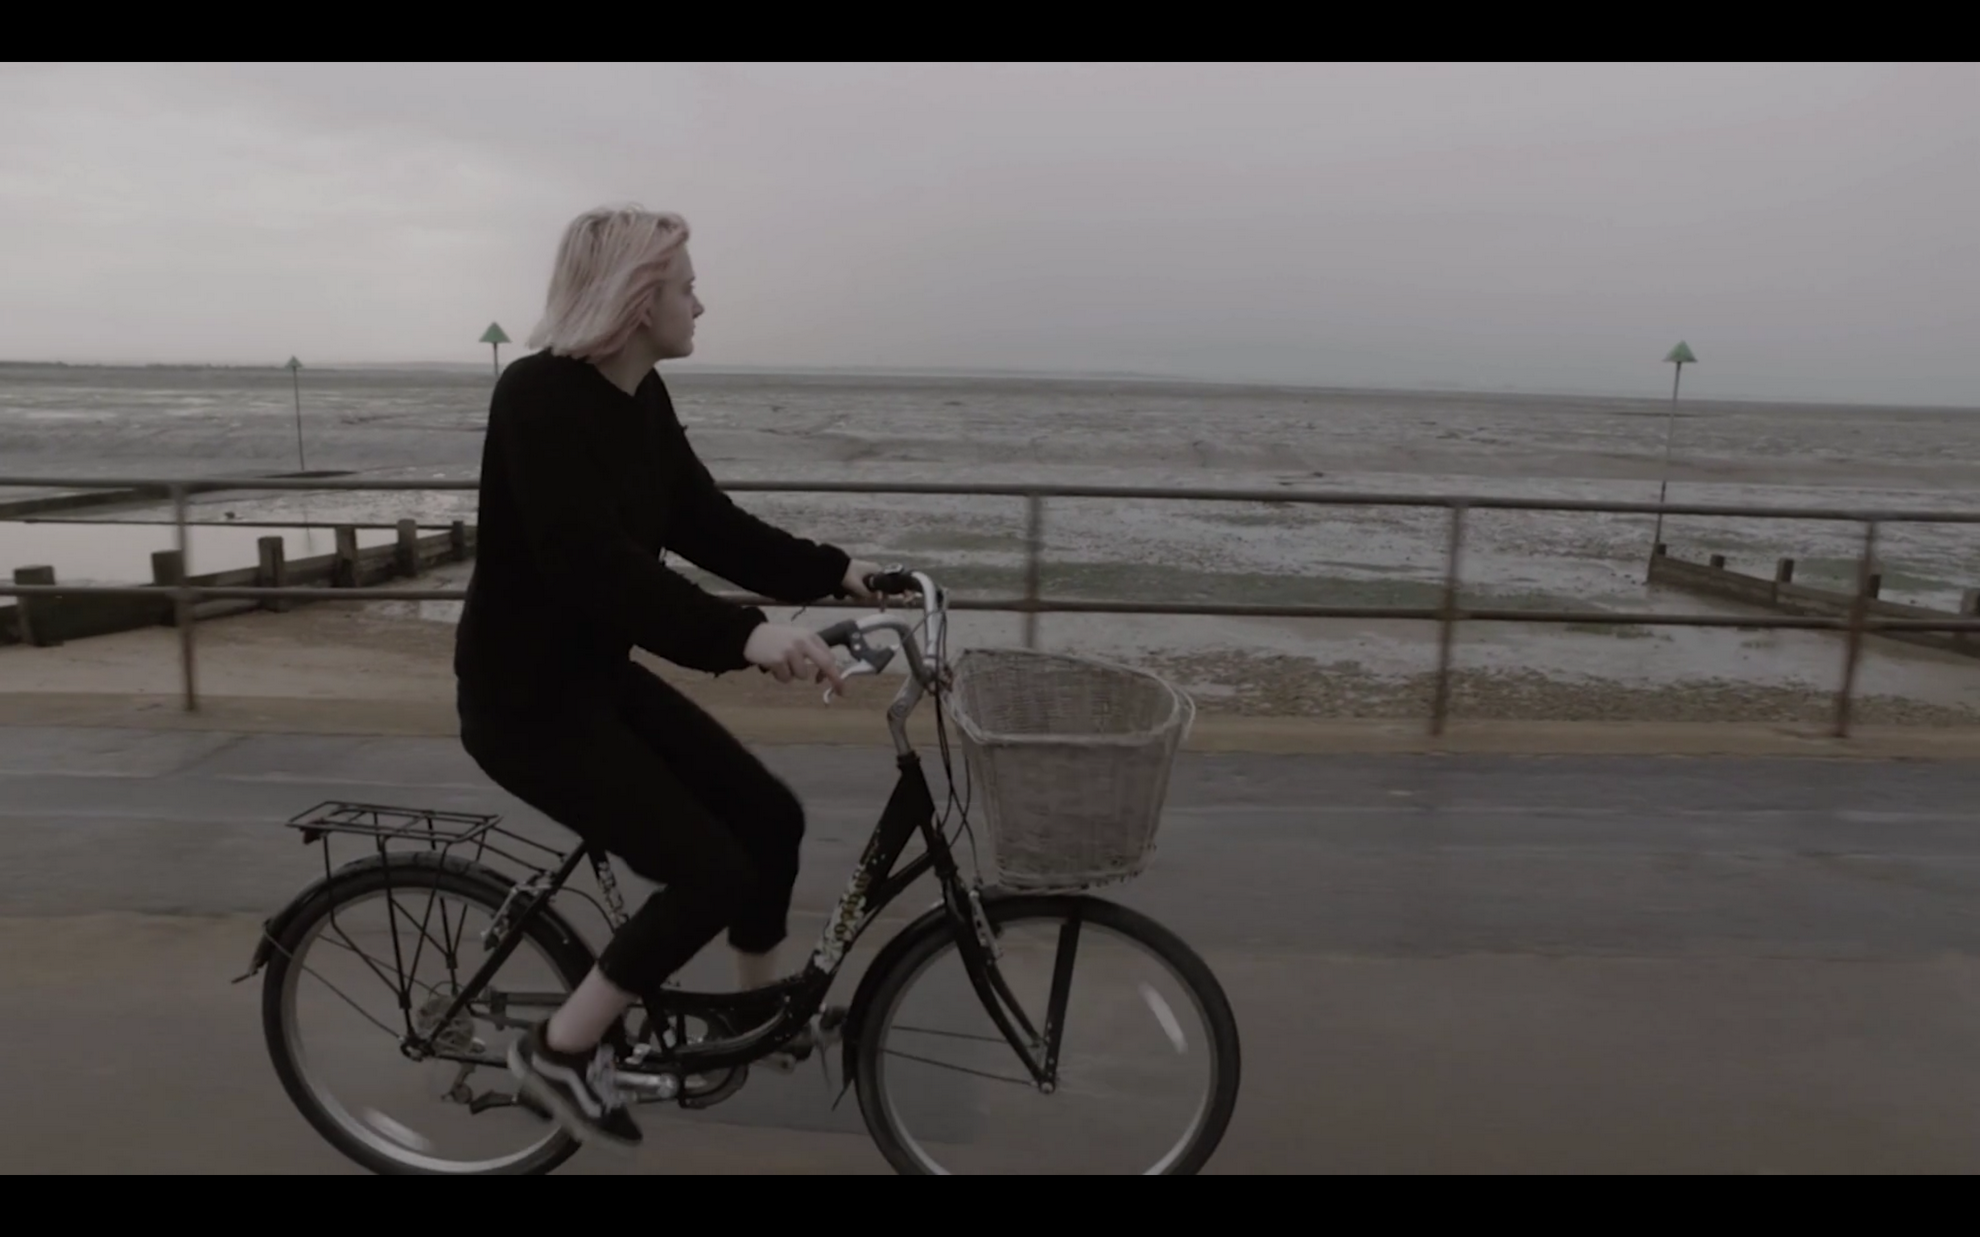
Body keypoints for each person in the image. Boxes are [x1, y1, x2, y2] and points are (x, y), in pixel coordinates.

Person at [452, 204, 882, 1148]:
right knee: (708, 869)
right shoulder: (535, 398)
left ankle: (753, 1014)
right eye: (687, 285)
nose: (701, 301)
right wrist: (745, 638)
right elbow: (591, 566)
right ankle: (560, 1051)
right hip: (524, 703)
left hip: (594, 683)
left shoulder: (642, 402)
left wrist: (832, 570)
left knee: (771, 817)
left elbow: (706, 522)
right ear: (639, 298)